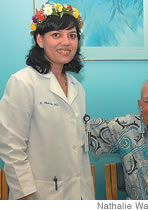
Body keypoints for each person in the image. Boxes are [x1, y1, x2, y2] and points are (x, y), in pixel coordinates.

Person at [0, 2, 94, 199]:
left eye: (72, 35)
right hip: (39, 194)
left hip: (79, 192)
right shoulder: (23, 82)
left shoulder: (77, 87)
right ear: (40, 40)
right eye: (56, 35)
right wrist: (24, 195)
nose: (66, 42)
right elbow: (11, 146)